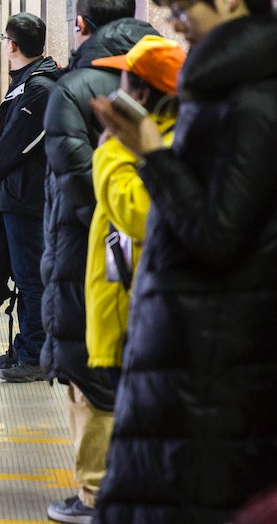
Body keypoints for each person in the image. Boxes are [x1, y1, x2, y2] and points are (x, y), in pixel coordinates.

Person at [91, 0, 277, 524]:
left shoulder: (260, 102)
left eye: (180, 8)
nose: (175, 25)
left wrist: (153, 152)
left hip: (215, 381)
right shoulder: (229, 92)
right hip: (198, 367)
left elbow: (218, 237)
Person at [40, 0, 158, 524]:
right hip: (154, 242)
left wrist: (104, 227)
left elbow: (73, 178)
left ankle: (94, 493)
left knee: (87, 368)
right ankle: (132, 481)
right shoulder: (163, 79)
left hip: (93, 250)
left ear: (81, 25)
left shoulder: (73, 87)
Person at [84, 35, 185, 395]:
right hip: (133, 318)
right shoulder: (162, 140)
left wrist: (109, 152)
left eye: (123, 80)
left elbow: (140, 213)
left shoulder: (166, 146)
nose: (116, 89)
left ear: (139, 94)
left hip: (136, 323)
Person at [0, 13, 62, 379]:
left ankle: (36, 356)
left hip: (27, 197)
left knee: (31, 276)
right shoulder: (29, 82)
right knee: (23, 275)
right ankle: (26, 347)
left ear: (11, 44)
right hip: (17, 193)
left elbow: (15, 143)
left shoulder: (39, 88)